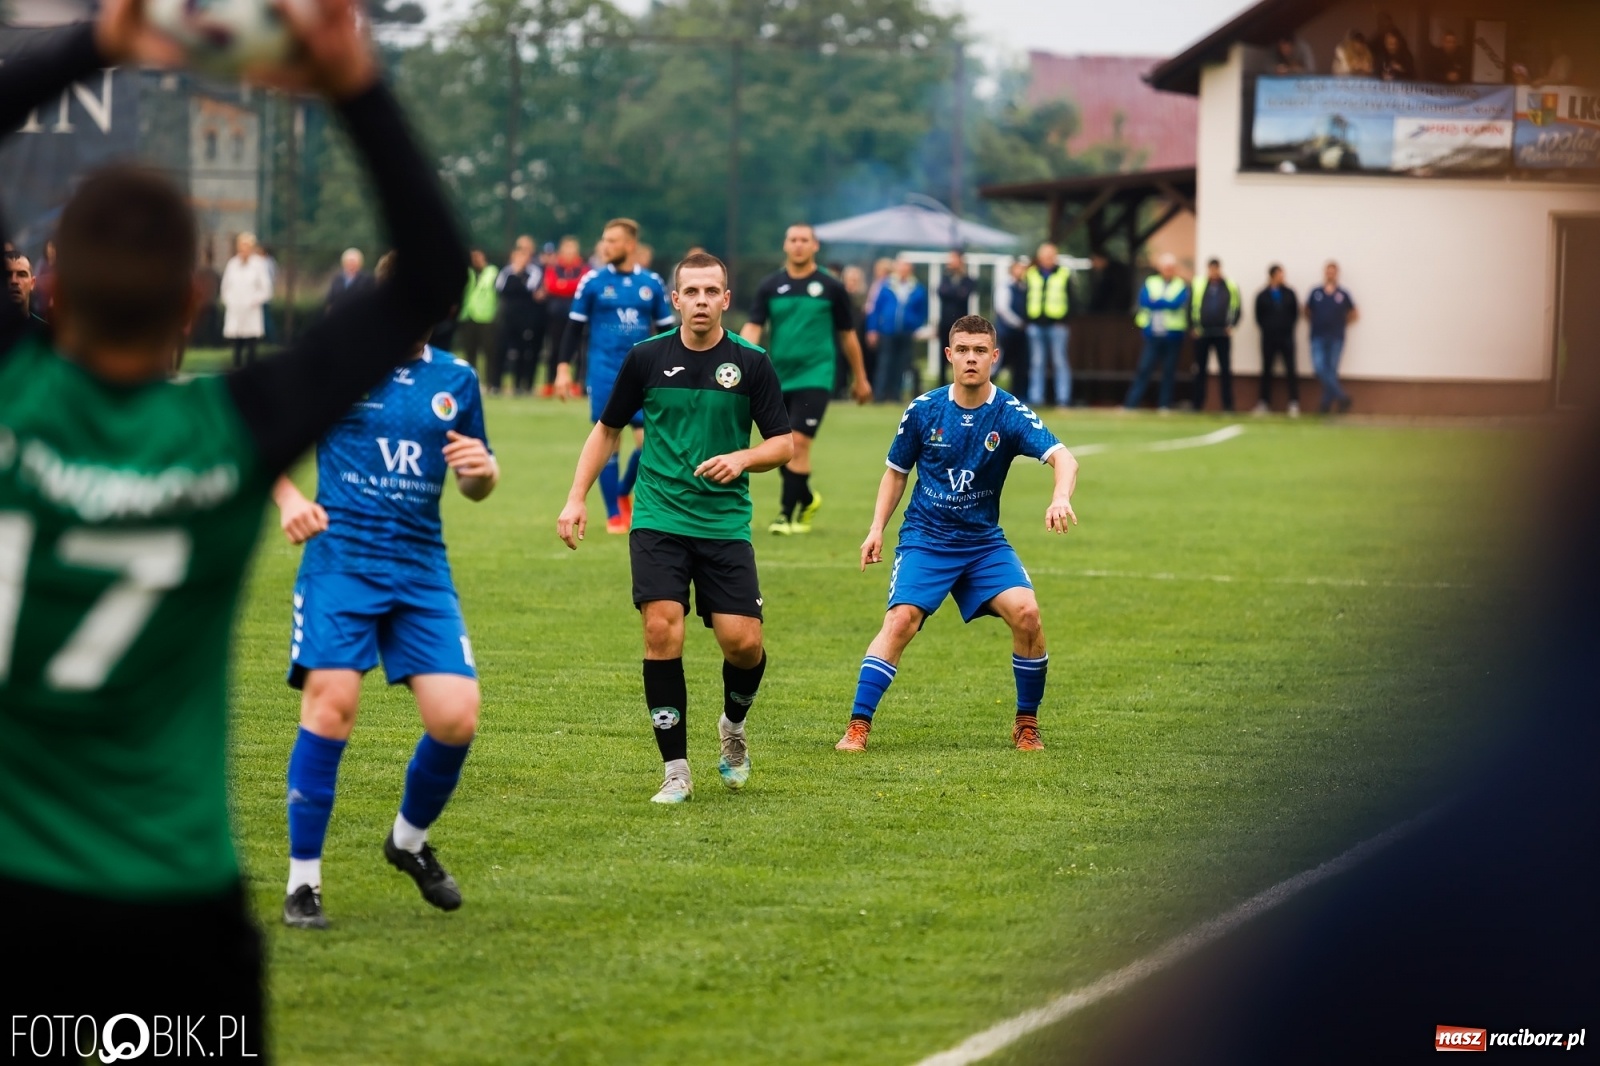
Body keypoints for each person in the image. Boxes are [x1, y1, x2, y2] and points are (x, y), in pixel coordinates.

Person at [0, 0, 465, 1042]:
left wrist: (104, 37)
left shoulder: (12, 397)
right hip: (169, 897)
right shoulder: (231, 433)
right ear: (197, 301)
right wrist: (354, 82)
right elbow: (431, 276)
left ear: (52, 290)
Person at [272, 251, 496, 930]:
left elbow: (476, 482)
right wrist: (289, 501)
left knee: (456, 717)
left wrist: (482, 472)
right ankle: (302, 884)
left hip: (421, 569)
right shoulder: (338, 363)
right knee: (333, 702)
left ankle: (407, 841)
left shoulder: (456, 377)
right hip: (342, 562)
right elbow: (264, 446)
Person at [557, 252, 792, 803]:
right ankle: (676, 770)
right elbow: (607, 430)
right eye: (693, 292)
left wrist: (742, 458)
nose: (703, 301)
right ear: (676, 300)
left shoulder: (752, 362)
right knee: (662, 630)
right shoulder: (645, 358)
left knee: (743, 643)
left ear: (726, 299)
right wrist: (576, 498)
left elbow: (782, 443)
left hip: (724, 521)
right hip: (659, 517)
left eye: (713, 291)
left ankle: (732, 726)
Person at [838, 314, 1079, 753]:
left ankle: (1026, 723)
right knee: (900, 621)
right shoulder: (924, 409)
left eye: (980, 351)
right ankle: (858, 725)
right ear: (949, 355)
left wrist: (1060, 496)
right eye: (963, 350)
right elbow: (895, 474)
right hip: (926, 539)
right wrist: (876, 529)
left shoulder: (1008, 412)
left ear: (994, 357)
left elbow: (1065, 458)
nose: (971, 359)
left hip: (982, 543)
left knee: (1027, 613)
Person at [740, 223, 871, 535]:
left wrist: (860, 378)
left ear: (815, 246)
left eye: (805, 240)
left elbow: (848, 335)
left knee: (798, 443)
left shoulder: (831, 286)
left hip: (817, 374)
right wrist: (740, 355)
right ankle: (807, 499)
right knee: (783, 445)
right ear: (785, 245)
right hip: (777, 377)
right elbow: (753, 326)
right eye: (793, 240)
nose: (798, 245)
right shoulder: (770, 285)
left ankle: (786, 515)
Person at [555, 218, 676, 533]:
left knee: (649, 442)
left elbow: (667, 332)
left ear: (630, 245)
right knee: (609, 441)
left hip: (645, 374)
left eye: (612, 241)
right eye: (604, 240)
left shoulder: (651, 284)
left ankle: (623, 493)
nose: (605, 246)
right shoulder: (593, 282)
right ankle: (613, 514)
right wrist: (563, 368)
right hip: (605, 373)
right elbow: (574, 328)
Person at [1124, 254, 1190, 412]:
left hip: (1172, 334)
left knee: (1168, 371)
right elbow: (1145, 301)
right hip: (1152, 334)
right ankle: (1131, 404)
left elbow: (1176, 304)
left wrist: (1158, 302)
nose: (1168, 270)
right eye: (1165, 267)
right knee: (1144, 368)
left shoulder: (1181, 285)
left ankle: (1164, 405)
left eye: (1171, 268)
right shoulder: (1151, 282)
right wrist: (1165, 302)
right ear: (1160, 268)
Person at [867, 256, 928, 404]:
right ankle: (879, 395)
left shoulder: (917, 288)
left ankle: (896, 395)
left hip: (906, 332)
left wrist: (914, 324)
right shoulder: (886, 286)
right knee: (885, 363)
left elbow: (922, 311)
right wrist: (873, 329)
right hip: (887, 330)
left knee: (901, 364)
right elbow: (876, 309)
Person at [492, 234, 544, 396]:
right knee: (501, 350)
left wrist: (519, 275)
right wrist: (516, 274)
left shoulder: (534, 272)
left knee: (524, 351)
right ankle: (496, 385)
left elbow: (529, 289)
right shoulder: (506, 271)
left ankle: (520, 385)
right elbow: (500, 289)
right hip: (507, 317)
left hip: (525, 319)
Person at [1190, 258, 1241, 413]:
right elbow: (1191, 306)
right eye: (1211, 269)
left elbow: (1237, 307)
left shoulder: (1230, 285)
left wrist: (1231, 326)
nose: (1214, 272)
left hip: (1221, 334)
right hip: (1203, 333)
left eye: (1216, 269)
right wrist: (1193, 327)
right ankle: (1197, 404)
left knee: (1225, 370)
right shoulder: (1198, 284)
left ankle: (1228, 405)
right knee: (1200, 370)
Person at [1306, 260, 1357, 413]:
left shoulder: (1343, 294)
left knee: (1331, 371)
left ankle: (1325, 405)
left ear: (1337, 274)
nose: (1330, 274)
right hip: (1318, 336)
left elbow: (1354, 313)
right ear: (1325, 273)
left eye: (1333, 271)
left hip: (1336, 337)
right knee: (1320, 368)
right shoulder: (1316, 292)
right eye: (1328, 271)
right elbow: (1307, 310)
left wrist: (1341, 323)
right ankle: (1342, 397)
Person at [1025, 242, 1072, 409]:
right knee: (1037, 362)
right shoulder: (1031, 274)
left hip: (1057, 325)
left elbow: (1072, 299)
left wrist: (1065, 320)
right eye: (1044, 257)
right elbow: (1027, 297)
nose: (1047, 260)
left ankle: (1063, 398)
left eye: (1050, 256)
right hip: (1036, 324)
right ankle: (1036, 398)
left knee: (1060, 362)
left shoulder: (1064, 274)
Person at [541, 235, 586, 398]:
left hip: (577, 317)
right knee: (553, 349)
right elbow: (551, 285)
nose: (569, 252)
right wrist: (568, 286)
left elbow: (582, 285)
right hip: (556, 315)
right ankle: (550, 382)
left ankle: (576, 383)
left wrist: (563, 285)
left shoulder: (583, 268)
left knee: (579, 350)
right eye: (566, 248)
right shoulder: (553, 268)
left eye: (572, 248)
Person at [1254, 264, 1301, 417]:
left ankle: (1293, 402)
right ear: (1272, 276)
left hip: (1286, 337)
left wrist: (1286, 328)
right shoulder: (1263, 295)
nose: (1282, 277)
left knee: (1291, 370)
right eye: (1280, 274)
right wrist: (1268, 328)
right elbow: (1258, 316)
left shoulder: (1289, 293)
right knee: (1267, 370)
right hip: (1268, 338)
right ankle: (1264, 402)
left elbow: (1295, 314)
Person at [221, 230, 271, 366]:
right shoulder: (232, 264)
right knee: (236, 344)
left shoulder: (258, 265)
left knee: (251, 345)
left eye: (247, 246)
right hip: (236, 310)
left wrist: (254, 301)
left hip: (251, 311)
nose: (244, 249)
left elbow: (266, 289)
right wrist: (230, 301)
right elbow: (225, 287)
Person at [935, 249, 978, 387]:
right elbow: (942, 292)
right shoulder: (945, 278)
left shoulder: (967, 279)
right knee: (943, 354)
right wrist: (956, 292)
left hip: (961, 325)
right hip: (945, 323)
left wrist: (952, 293)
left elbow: (963, 295)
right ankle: (942, 384)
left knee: (962, 353)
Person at [456, 248, 498, 374]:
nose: (475, 260)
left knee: (489, 351)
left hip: (486, 316)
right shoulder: (468, 272)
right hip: (468, 315)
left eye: (478, 256)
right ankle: (472, 377)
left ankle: (490, 381)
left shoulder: (492, 272)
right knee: (469, 351)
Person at [995, 258, 1030, 399]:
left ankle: (1018, 394)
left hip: (1020, 334)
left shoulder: (1024, 286)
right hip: (1007, 332)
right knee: (998, 363)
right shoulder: (1005, 286)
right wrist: (1018, 322)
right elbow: (1002, 309)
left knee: (1020, 365)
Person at [324, 246, 373, 313]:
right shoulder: (337, 279)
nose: (351, 264)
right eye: (349, 261)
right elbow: (330, 300)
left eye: (353, 262)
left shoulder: (367, 279)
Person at [1087, 249, 1132, 315]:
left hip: (1114, 313)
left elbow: (1117, 293)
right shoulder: (1106, 273)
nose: (1093, 264)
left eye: (1094, 260)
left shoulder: (1115, 273)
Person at [4, 251, 42, 322]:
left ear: (32, 283)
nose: (14, 281)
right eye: (7, 275)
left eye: (21, 274)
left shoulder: (44, 331)